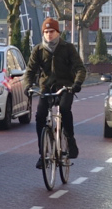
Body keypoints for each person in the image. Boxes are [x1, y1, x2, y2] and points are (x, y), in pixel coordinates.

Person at [26, 17, 86, 167]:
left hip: (66, 86)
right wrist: (28, 86)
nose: (49, 34)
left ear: (58, 32)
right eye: (46, 32)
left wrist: (77, 83)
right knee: (40, 116)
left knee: (65, 109)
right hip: (46, 87)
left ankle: (70, 141)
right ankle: (42, 154)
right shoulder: (38, 50)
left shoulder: (67, 48)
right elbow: (30, 71)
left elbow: (80, 68)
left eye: (51, 31)